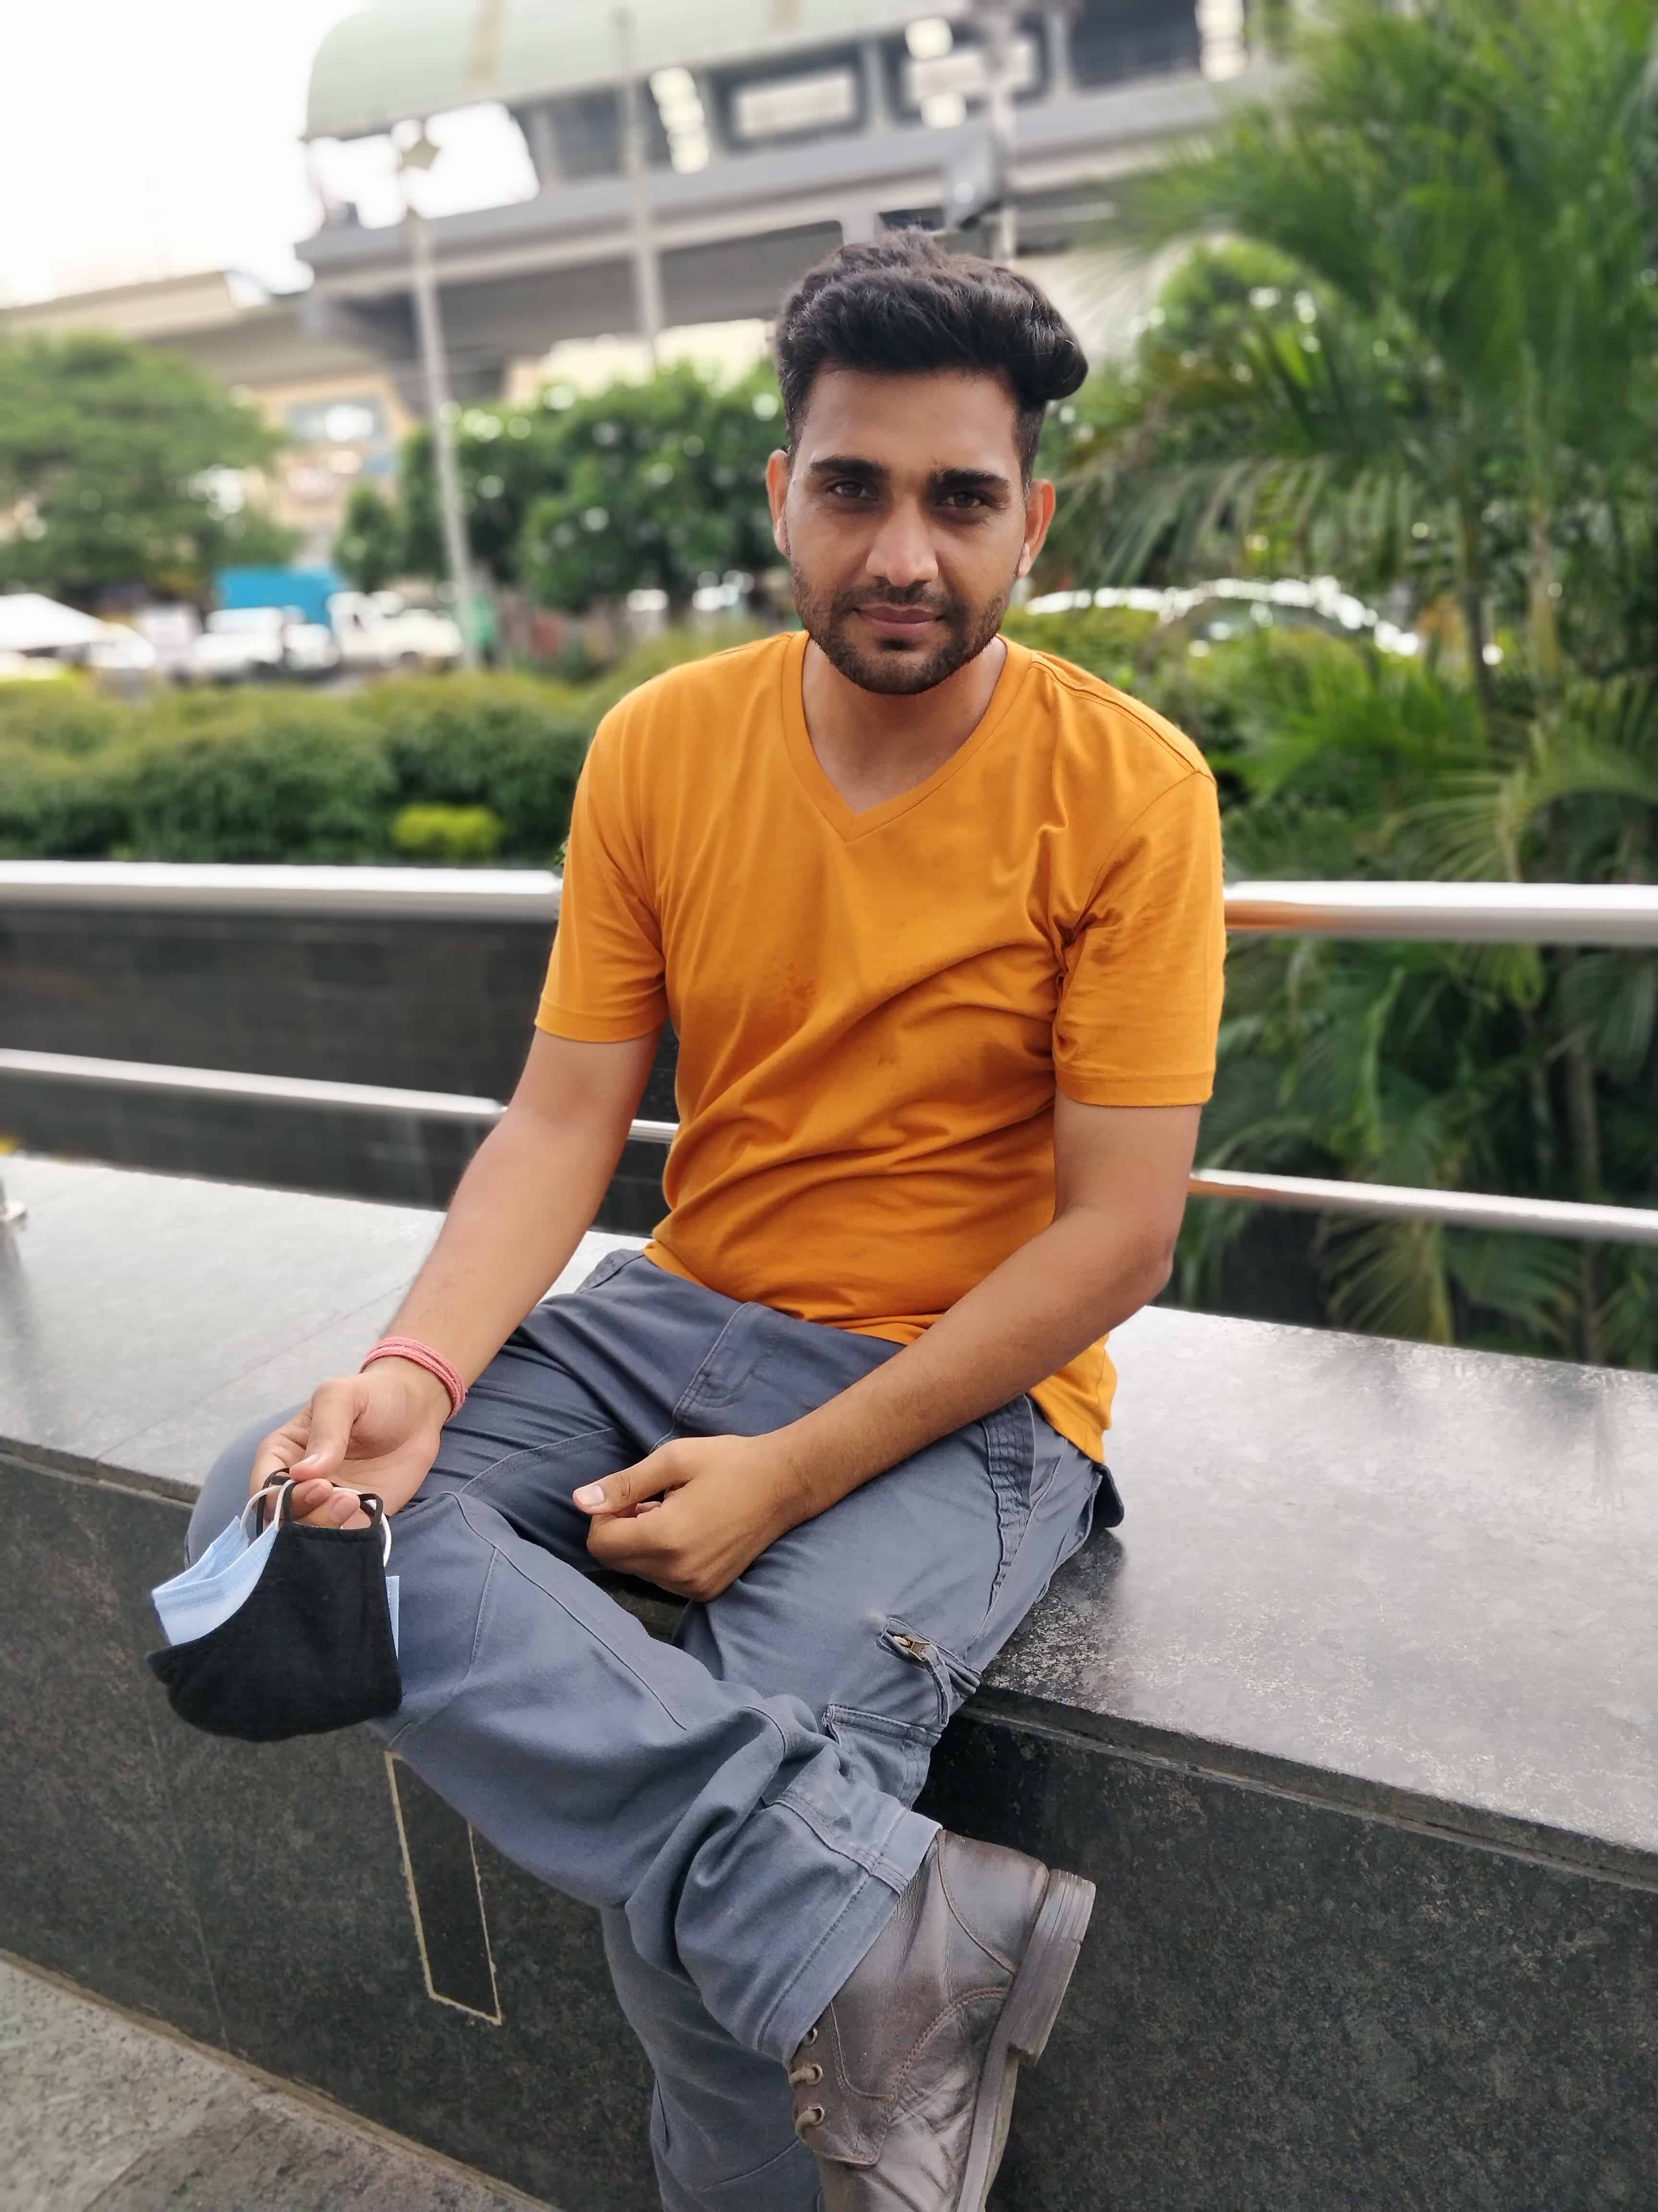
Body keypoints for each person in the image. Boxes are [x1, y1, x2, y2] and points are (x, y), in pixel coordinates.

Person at [190, 233, 1225, 2212]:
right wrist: (417, 1376)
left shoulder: (1129, 790)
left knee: (720, 1890)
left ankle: (823, 1905)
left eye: (961, 499)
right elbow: (565, 1113)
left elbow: (1117, 1239)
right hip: (674, 1312)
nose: (902, 552)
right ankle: (877, 1919)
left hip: (962, 1394)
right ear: (782, 495)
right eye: (854, 488)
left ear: (1034, 523)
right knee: (286, 1501)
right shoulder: (661, 744)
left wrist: (792, 1474)